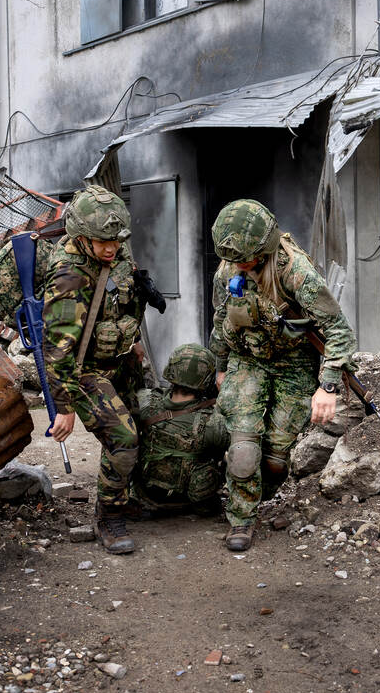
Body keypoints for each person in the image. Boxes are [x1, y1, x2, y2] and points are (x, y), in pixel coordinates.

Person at [209, 199, 357, 551]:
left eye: (244, 260)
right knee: (244, 451)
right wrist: (220, 365)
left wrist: (328, 386)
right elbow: (220, 318)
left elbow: (339, 331)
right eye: (232, 260)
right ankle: (240, 519)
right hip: (247, 359)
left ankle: (252, 495)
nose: (237, 266)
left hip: (292, 362)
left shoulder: (296, 272)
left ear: (263, 249)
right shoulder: (227, 269)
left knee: (275, 460)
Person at [43, 185, 146, 555]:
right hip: (81, 370)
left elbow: (122, 300)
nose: (111, 248)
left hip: (118, 359)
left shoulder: (113, 251)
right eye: (102, 242)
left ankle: (126, 495)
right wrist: (65, 407)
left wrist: (134, 342)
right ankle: (109, 517)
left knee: (144, 423)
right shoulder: (68, 276)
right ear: (81, 238)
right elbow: (57, 351)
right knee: (123, 437)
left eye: (115, 241)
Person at [129, 343, 230, 515]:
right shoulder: (213, 422)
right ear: (206, 379)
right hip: (189, 503)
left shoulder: (145, 402)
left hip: (146, 496)